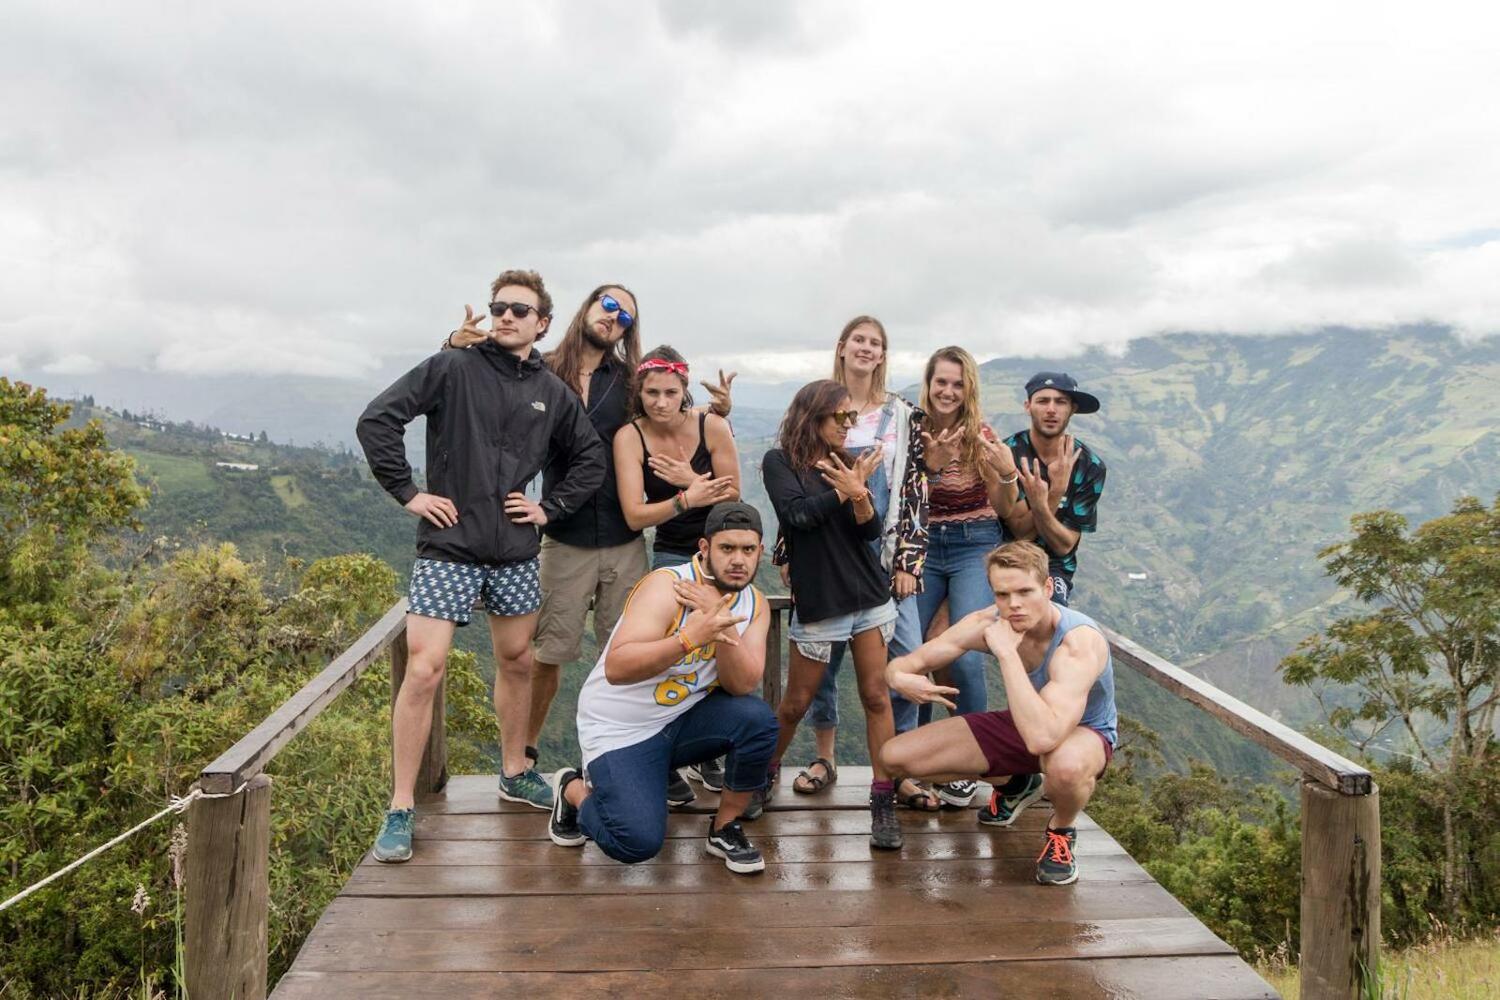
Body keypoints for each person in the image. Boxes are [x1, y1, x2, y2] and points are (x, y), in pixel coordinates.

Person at [446, 285, 732, 804]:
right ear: (587, 308)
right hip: (564, 536)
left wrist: (721, 413)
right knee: (547, 655)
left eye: (625, 314)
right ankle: (522, 760)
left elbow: (671, 414)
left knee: (627, 654)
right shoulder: (541, 366)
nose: (614, 317)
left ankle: (632, 757)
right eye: (608, 305)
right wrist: (454, 344)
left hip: (626, 539)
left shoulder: (628, 381)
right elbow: (481, 378)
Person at [358, 269, 606, 863]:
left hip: (515, 551)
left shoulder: (551, 390)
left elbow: (589, 457)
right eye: (500, 307)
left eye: (520, 310)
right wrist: (409, 493)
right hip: (448, 546)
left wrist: (550, 507)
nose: (506, 317)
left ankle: (515, 769)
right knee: (426, 668)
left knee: (518, 660)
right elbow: (378, 420)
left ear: (542, 323)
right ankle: (400, 805)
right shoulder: (453, 368)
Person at [549, 502, 777, 874]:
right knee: (635, 842)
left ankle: (724, 828)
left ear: (760, 553)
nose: (738, 560)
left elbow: (742, 683)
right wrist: (690, 637)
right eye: (727, 549)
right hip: (619, 729)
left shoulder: (754, 604)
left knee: (757, 720)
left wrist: (722, 627)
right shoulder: (668, 586)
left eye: (748, 550)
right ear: (704, 549)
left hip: (681, 719)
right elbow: (618, 667)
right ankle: (572, 789)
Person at [879, 541, 1118, 886]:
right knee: (895, 757)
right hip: (1028, 719)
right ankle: (1016, 783)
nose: (1014, 605)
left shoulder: (1078, 644)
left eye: (1025, 591)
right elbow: (909, 662)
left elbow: (1043, 737)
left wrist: (1006, 654)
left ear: (1048, 588)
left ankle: (1061, 832)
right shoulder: (987, 622)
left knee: (1064, 767)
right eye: (1002, 595)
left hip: (1083, 733)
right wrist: (900, 679)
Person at [779, 317, 935, 810]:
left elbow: (913, 489)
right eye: (859, 340)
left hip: (881, 554)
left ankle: (898, 769)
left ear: (884, 354)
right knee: (817, 675)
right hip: (823, 554)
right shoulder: (813, 414)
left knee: (901, 665)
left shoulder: (904, 414)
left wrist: (908, 557)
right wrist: (788, 553)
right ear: (842, 347)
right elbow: (795, 500)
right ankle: (824, 758)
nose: (867, 349)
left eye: (877, 343)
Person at [761, 379, 904, 849]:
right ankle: (762, 777)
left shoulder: (847, 463)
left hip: (869, 597)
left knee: (876, 697)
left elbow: (870, 533)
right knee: (795, 703)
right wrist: (846, 491)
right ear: (813, 416)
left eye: (852, 417)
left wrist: (860, 496)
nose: (849, 425)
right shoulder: (780, 462)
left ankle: (882, 799)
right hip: (822, 602)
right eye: (840, 417)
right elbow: (798, 516)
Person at [909, 346, 1022, 808]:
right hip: (923, 545)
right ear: (929, 383)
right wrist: (930, 464)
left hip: (975, 543)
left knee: (969, 653)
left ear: (968, 387)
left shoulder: (983, 436)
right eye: (942, 382)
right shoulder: (912, 431)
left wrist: (1007, 473)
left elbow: (1003, 506)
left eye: (958, 383)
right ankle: (913, 762)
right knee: (910, 651)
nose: (948, 391)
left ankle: (970, 761)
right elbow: (903, 496)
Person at [615, 345, 741, 570]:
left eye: (671, 393)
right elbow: (634, 517)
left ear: (684, 391)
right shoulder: (630, 437)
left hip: (725, 545)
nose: (661, 403)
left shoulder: (712, 427)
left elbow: (733, 494)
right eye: (652, 392)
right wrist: (686, 500)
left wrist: (692, 480)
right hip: (672, 550)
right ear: (639, 392)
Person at [999, 372, 1106, 608]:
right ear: (1028, 406)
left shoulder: (1090, 466)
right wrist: (1056, 492)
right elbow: (1020, 535)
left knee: (1052, 616)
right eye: (1042, 401)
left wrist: (1042, 501)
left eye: (1060, 402)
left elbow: (1064, 545)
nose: (1051, 409)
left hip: (1054, 566)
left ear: (1072, 409)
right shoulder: (1007, 454)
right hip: (1006, 559)